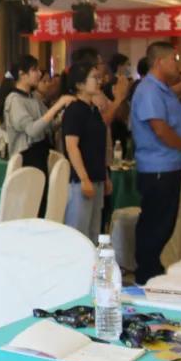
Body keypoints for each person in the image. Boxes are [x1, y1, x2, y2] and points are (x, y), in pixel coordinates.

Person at [130, 42, 181, 283]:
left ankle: (152, 268)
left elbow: (176, 115)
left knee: (164, 222)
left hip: (169, 166)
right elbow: (160, 129)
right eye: (174, 59)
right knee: (155, 223)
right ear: (160, 62)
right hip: (157, 168)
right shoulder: (149, 90)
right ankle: (146, 273)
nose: (177, 65)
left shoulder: (164, 89)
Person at [4, 55, 74, 181]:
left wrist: (65, 112)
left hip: (40, 154)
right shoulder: (15, 100)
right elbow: (32, 130)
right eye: (34, 70)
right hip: (25, 158)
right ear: (22, 74)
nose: (39, 73)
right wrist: (57, 105)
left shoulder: (33, 98)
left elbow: (50, 126)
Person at [62, 62, 110, 243]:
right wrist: (84, 178)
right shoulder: (74, 110)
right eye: (94, 78)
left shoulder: (94, 110)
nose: (99, 81)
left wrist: (105, 176)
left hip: (96, 178)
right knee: (78, 234)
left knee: (93, 233)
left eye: (99, 77)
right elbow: (72, 146)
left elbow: (98, 146)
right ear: (79, 84)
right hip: (80, 181)